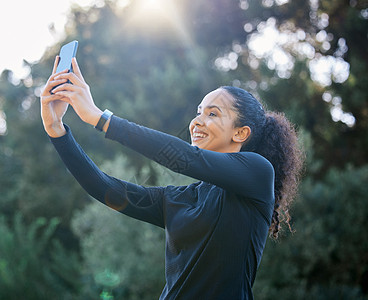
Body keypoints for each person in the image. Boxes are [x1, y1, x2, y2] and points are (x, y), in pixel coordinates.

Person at [41, 56, 304, 299]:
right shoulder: (182, 198)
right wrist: (56, 130)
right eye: (198, 112)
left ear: (241, 133)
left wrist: (100, 118)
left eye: (212, 113)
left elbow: (185, 158)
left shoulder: (258, 173)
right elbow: (104, 187)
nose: (197, 121)